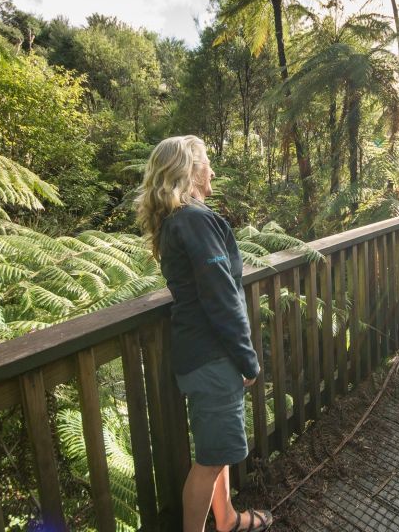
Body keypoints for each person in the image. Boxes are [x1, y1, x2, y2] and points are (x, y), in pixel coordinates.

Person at [135, 135, 272, 532]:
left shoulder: (180, 221)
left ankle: (226, 519)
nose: (213, 170)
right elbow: (221, 297)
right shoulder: (195, 220)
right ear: (190, 171)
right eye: (207, 162)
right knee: (210, 459)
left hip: (200, 355)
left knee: (217, 449)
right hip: (213, 358)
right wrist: (248, 360)